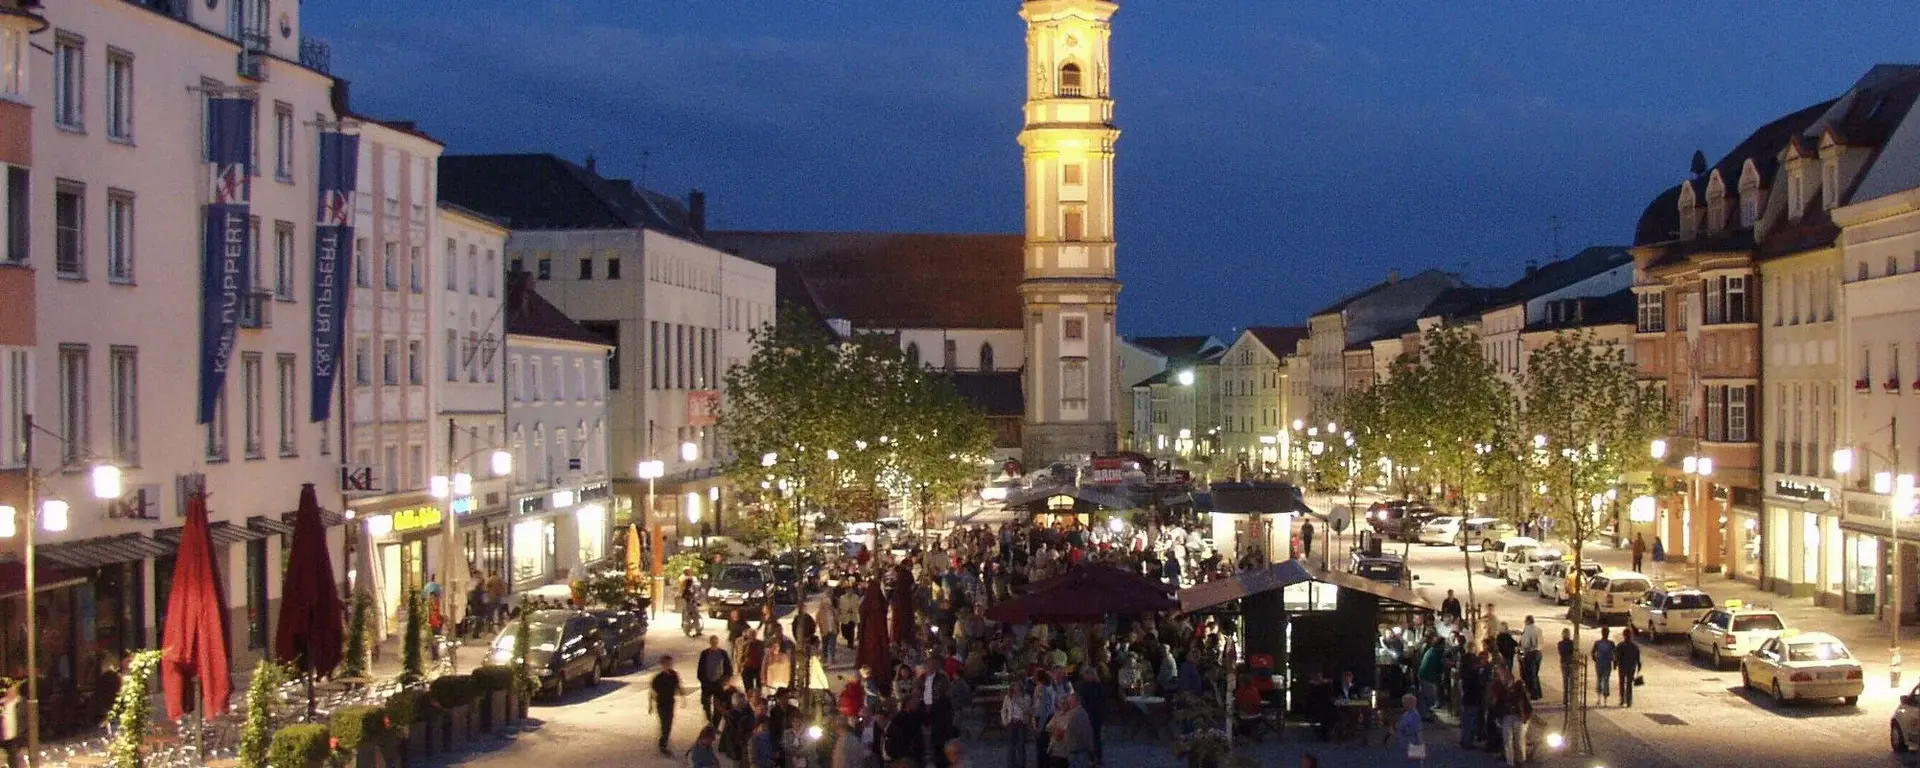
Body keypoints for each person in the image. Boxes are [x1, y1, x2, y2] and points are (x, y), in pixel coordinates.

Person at [1492, 665, 1531, 766]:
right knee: (1507, 740)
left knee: (1519, 740)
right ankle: (1510, 762)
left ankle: (1521, 760)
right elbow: (1498, 705)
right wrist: (1498, 717)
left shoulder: (1519, 688)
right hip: (1506, 717)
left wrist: (1526, 718)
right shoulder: (1501, 691)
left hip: (1518, 717)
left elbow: (1527, 704)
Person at [649, 655, 687, 756]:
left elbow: (679, 686)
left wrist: (683, 698)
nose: (669, 665)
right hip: (661, 703)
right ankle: (663, 745)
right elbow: (652, 692)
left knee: (668, 724)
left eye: (670, 664)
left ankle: (663, 743)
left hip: (670, 702)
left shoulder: (674, 675)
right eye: (667, 664)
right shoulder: (658, 678)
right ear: (662, 665)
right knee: (664, 724)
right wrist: (650, 705)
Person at [696, 635, 734, 723]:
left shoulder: (722, 653)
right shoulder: (705, 653)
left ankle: (715, 722)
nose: (714, 644)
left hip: (718, 682)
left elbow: (728, 667)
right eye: (713, 643)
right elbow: (700, 667)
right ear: (710, 643)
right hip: (707, 682)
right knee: (706, 703)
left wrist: (726, 679)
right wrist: (702, 680)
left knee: (719, 703)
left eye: (715, 643)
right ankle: (709, 719)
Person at [1001, 678, 1035, 768]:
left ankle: (1021, 765)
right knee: (1011, 747)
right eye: (1014, 685)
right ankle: (1011, 765)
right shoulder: (1008, 697)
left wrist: (1019, 702)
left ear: (1021, 686)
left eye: (1018, 685)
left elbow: (1028, 710)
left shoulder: (1026, 697)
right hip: (1011, 722)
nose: (1016, 687)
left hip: (1021, 722)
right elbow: (1003, 710)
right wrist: (1005, 721)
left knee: (1021, 745)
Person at [1456, 652, 1483, 750]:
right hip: (1473, 699)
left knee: (1466, 721)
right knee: (1471, 721)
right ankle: (1467, 742)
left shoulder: (1465, 672)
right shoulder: (1473, 673)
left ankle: (1465, 740)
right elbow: (1477, 685)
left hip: (1467, 698)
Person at [1394, 692, 1424, 766]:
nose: (1403, 704)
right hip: (1405, 743)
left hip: (1414, 744)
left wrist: (1400, 728)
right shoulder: (1406, 714)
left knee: (1414, 764)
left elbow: (1410, 729)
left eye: (1405, 702)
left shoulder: (1415, 715)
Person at [1616, 627, 1642, 708]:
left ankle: (1622, 699)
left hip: (1622, 667)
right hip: (1631, 667)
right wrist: (1639, 666)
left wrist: (1615, 664)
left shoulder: (1620, 645)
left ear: (1624, 635)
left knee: (1622, 683)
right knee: (1629, 684)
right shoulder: (1635, 647)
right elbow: (1638, 659)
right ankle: (1629, 700)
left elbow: (1617, 657)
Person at [1518, 615, 1542, 701]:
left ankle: (1533, 694)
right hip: (1539, 653)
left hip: (1530, 653)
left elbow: (1526, 644)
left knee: (1530, 675)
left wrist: (1521, 653)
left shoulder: (1528, 629)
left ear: (1527, 621)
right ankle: (1539, 693)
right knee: (1535, 674)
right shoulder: (1538, 629)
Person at [1591, 627, 1616, 706]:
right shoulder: (1611, 643)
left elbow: (1592, 653)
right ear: (1608, 634)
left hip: (1599, 663)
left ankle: (1598, 698)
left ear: (1602, 633)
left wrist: (1595, 659)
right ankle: (1605, 700)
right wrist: (1614, 662)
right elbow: (1614, 654)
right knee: (1606, 681)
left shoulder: (1597, 643)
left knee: (1599, 679)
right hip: (1607, 664)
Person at [1556, 628, 1576, 708]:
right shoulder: (1572, 643)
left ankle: (1565, 699)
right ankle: (1571, 699)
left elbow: (1561, 653)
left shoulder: (1560, 643)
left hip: (1564, 663)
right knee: (1571, 682)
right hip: (1571, 663)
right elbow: (1574, 652)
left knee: (1565, 681)